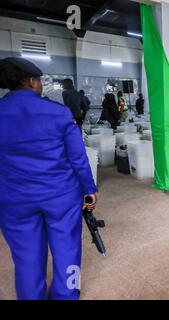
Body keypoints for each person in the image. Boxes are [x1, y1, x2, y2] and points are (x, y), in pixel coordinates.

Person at [0, 57, 97, 300]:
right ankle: (66, 294)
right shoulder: (58, 113)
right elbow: (78, 158)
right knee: (67, 248)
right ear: (32, 82)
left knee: (26, 255)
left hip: (13, 200)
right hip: (61, 197)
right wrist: (89, 189)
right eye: (41, 81)